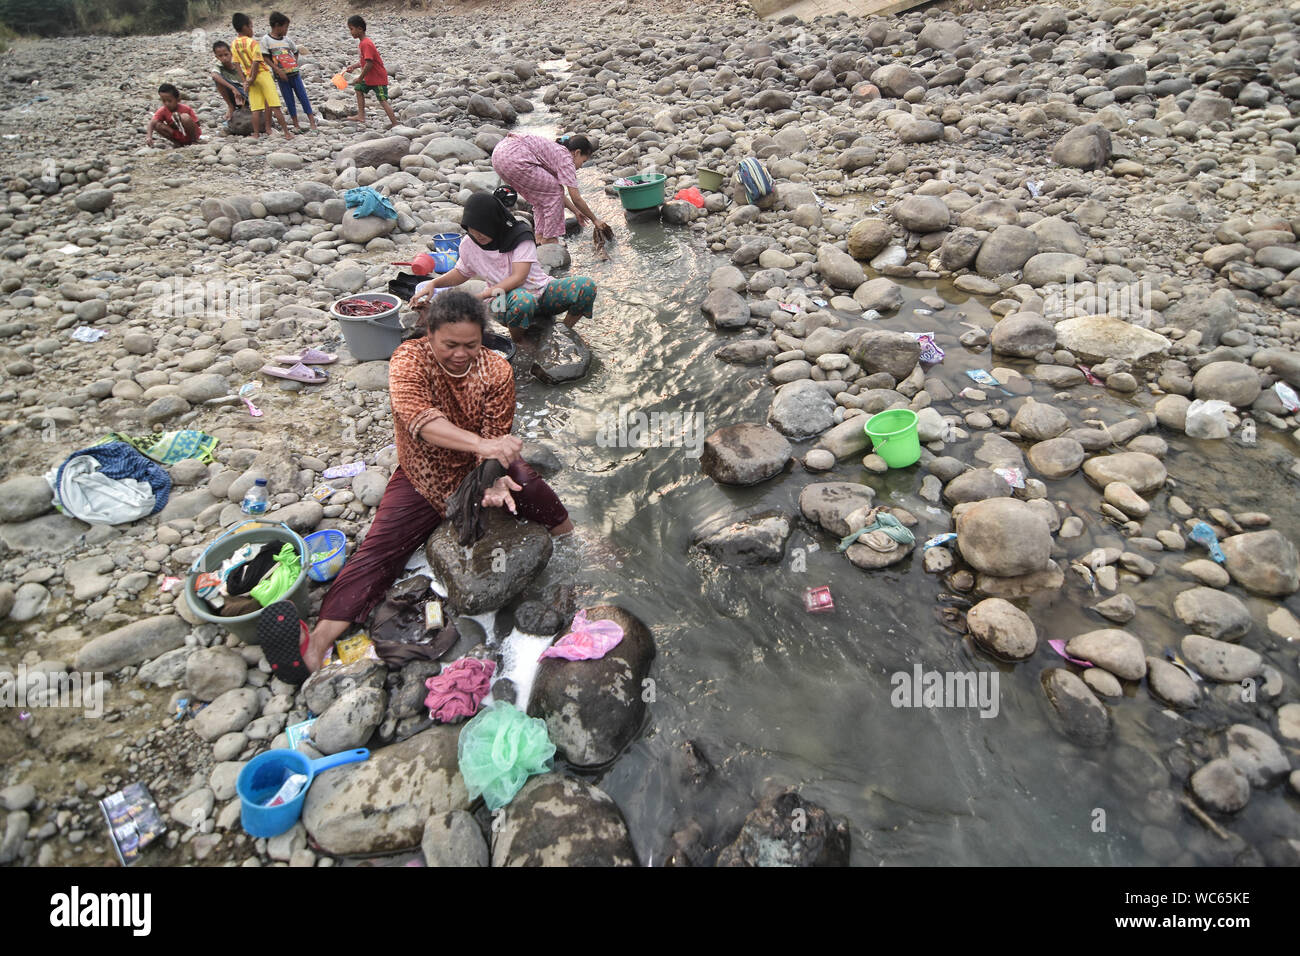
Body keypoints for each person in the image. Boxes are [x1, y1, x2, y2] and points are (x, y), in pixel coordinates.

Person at [287, 291, 572, 675]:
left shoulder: (496, 370)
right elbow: (419, 419)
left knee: (530, 487)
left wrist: (492, 480)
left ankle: (576, 544)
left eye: (470, 344)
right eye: (449, 344)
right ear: (430, 334)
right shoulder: (409, 359)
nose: (460, 353)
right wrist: (484, 445)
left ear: (482, 339)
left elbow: (496, 434)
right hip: (422, 476)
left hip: (476, 469)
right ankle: (319, 641)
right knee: (380, 549)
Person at [409, 193, 597, 344]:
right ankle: (520, 342)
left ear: (495, 223)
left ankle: (564, 332)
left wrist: (480, 295)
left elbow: (518, 278)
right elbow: (462, 272)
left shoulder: (520, 236)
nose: (477, 236)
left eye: (482, 230)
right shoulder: (468, 244)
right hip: (499, 300)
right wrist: (434, 283)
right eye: (472, 230)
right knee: (523, 300)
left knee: (586, 286)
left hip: (542, 291)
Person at [491, 133, 609, 244]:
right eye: (583, 161)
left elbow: (552, 193)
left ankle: (540, 237)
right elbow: (575, 198)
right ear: (577, 153)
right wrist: (595, 220)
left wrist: (576, 212)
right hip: (515, 159)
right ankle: (549, 239)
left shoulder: (556, 152)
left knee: (540, 197)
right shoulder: (567, 160)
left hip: (499, 156)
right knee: (555, 191)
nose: (581, 166)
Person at [231, 12, 293, 140]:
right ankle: (287, 133)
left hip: (249, 77)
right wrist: (253, 77)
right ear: (245, 27)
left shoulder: (234, 44)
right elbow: (257, 61)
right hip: (262, 75)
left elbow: (236, 64)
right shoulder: (252, 43)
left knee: (256, 108)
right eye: (251, 27)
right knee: (275, 105)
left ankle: (256, 133)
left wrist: (245, 81)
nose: (252, 30)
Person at [263, 11, 317, 132]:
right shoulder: (266, 40)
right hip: (282, 76)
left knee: (303, 96)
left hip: (294, 73)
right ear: (277, 26)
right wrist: (277, 69)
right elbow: (265, 57)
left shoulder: (287, 39)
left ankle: (312, 122)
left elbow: (296, 51)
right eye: (285, 27)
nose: (287, 30)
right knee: (289, 100)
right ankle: (296, 124)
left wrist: (294, 63)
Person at [343, 15, 399, 128]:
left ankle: (395, 123)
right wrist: (354, 66)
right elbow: (364, 61)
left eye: (351, 29)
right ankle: (361, 115)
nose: (351, 32)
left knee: (382, 100)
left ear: (360, 29)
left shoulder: (366, 44)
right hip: (370, 78)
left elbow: (369, 63)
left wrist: (360, 77)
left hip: (377, 78)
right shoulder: (362, 43)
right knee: (358, 89)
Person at [211, 41, 246, 123]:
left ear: (231, 53)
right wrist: (233, 88)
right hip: (235, 94)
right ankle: (231, 106)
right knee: (218, 80)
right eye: (220, 56)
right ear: (217, 57)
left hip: (245, 93)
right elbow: (214, 76)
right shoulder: (219, 66)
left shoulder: (238, 64)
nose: (224, 58)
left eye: (226, 54)